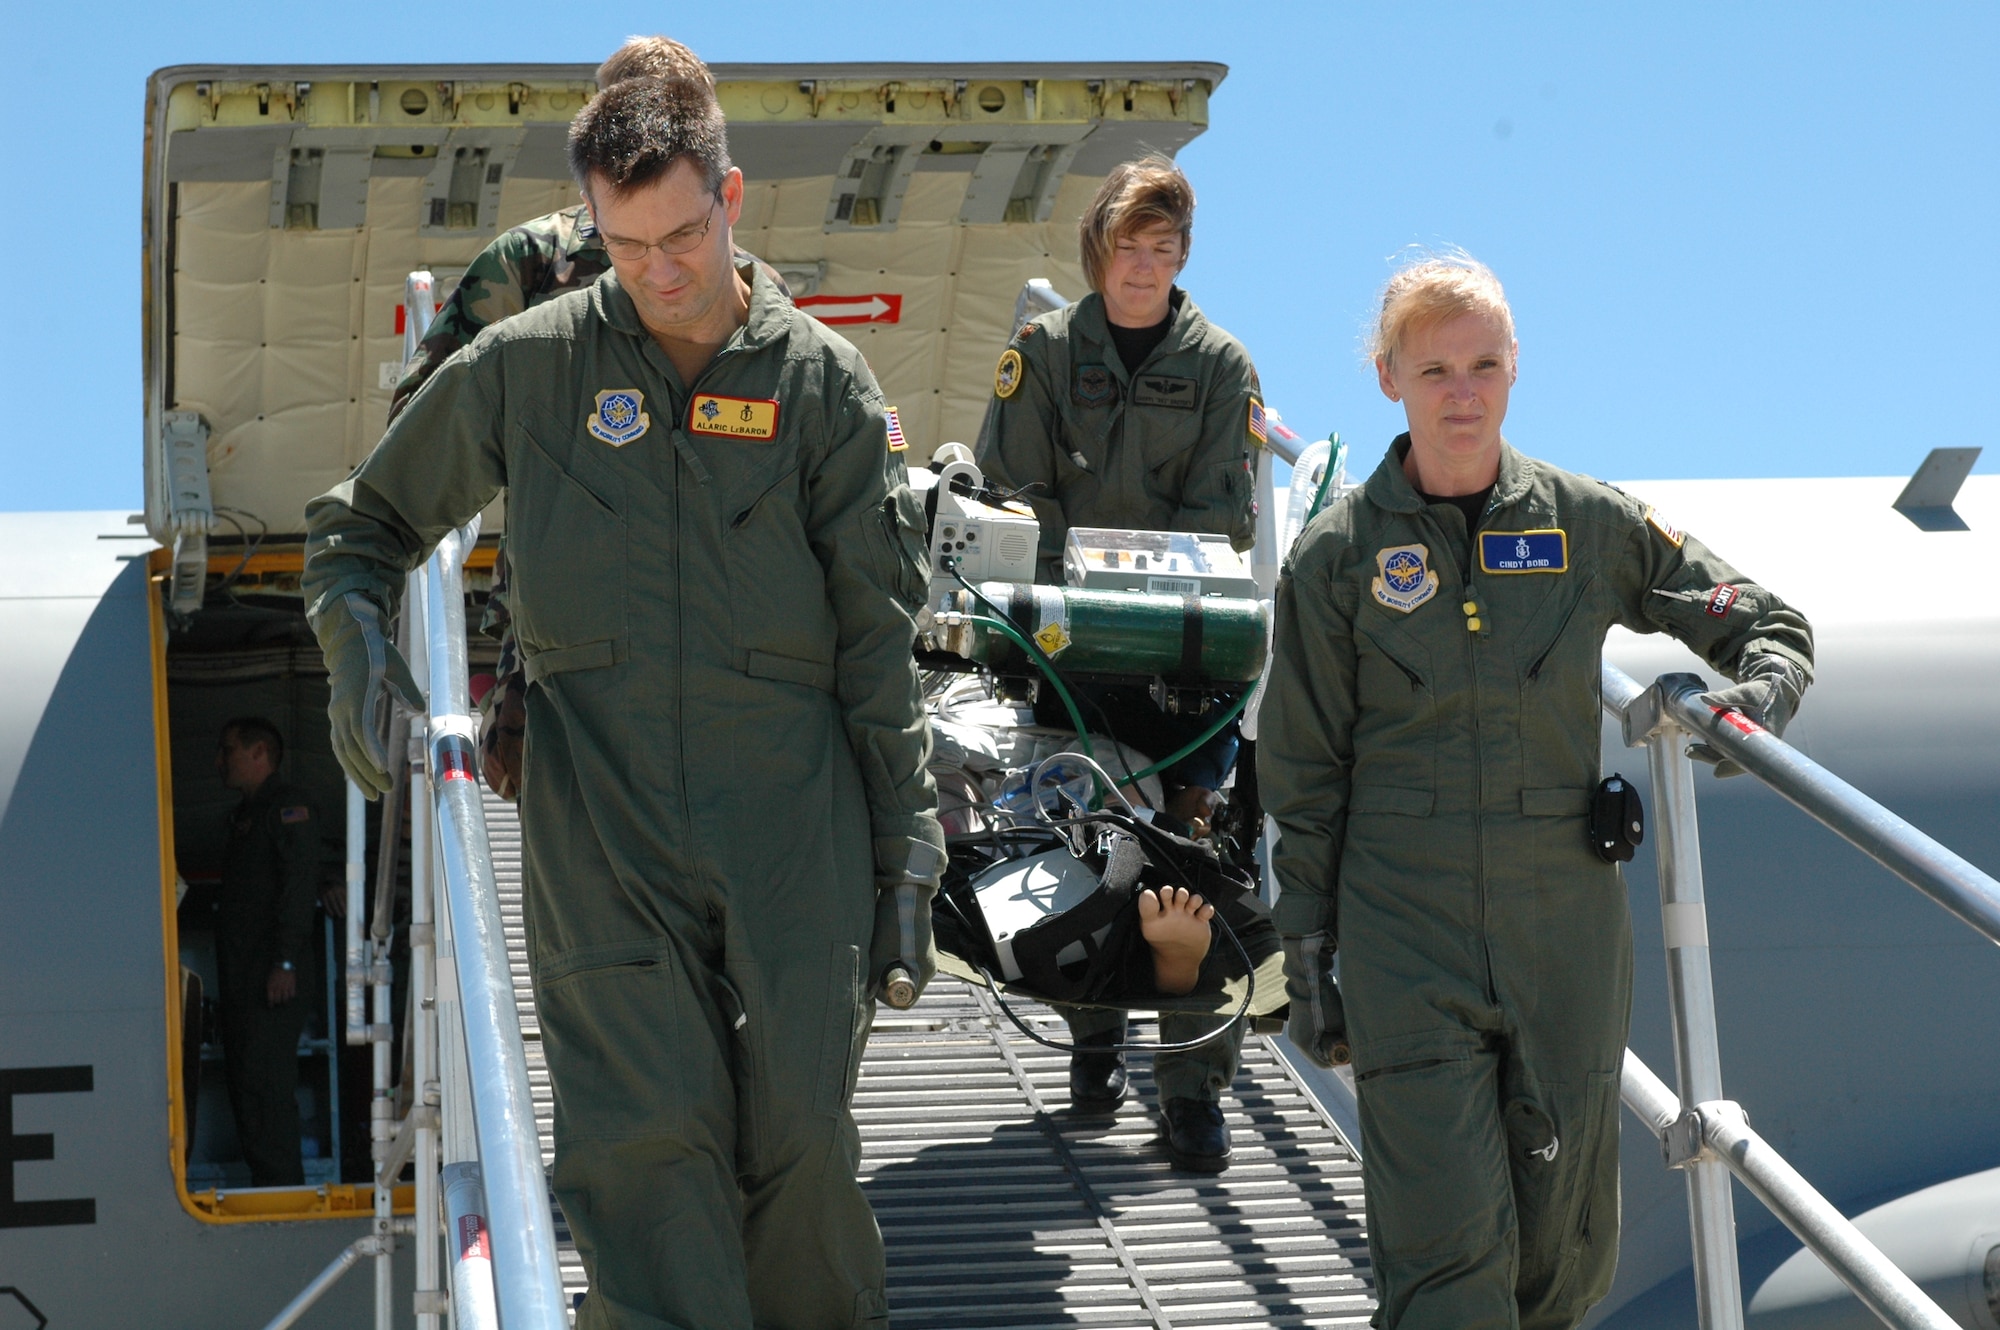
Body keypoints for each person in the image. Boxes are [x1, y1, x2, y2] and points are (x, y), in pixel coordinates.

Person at [304, 75, 941, 1330]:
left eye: (683, 235)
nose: (658, 270)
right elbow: (358, 532)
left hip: (790, 820)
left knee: (803, 1151)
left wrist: (905, 856)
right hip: (603, 824)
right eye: (625, 241)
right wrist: (369, 672)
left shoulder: (825, 389)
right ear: (590, 222)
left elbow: (877, 644)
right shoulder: (526, 370)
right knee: (645, 1157)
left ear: (730, 194)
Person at [1258, 251, 1813, 1330]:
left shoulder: (1584, 523)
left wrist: (1759, 697)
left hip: (1560, 928)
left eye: (1480, 365)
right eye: (1432, 371)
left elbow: (1761, 619)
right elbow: (1302, 771)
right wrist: (1307, 950)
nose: (1459, 393)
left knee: (1560, 1257)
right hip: (1400, 926)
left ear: (1514, 368)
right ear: (1387, 379)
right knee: (1444, 1258)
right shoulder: (1334, 558)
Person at [387, 35, 791, 801]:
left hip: (670, 634)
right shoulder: (538, 261)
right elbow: (431, 417)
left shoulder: (747, 287)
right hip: (610, 634)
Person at [973, 154, 1261, 1171]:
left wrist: (1140, 581)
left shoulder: (1222, 367)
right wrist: (1080, 574)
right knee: (1067, 853)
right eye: (1127, 248)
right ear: (1097, 251)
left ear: (1182, 257)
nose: (1142, 268)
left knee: (1198, 871)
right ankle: (1092, 1035)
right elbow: (1011, 487)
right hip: (1063, 652)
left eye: (1163, 249)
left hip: (1182, 658)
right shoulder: (1045, 352)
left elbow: (1218, 517)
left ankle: (1189, 1094)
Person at [213, 717, 322, 1187]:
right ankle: (268, 1184)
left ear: (259, 754)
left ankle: (283, 1191)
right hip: (245, 978)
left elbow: (298, 888)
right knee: (246, 1086)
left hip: (272, 977)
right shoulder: (247, 814)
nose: (221, 761)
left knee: (267, 1087)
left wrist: (286, 961)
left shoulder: (287, 808)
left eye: (229, 750)